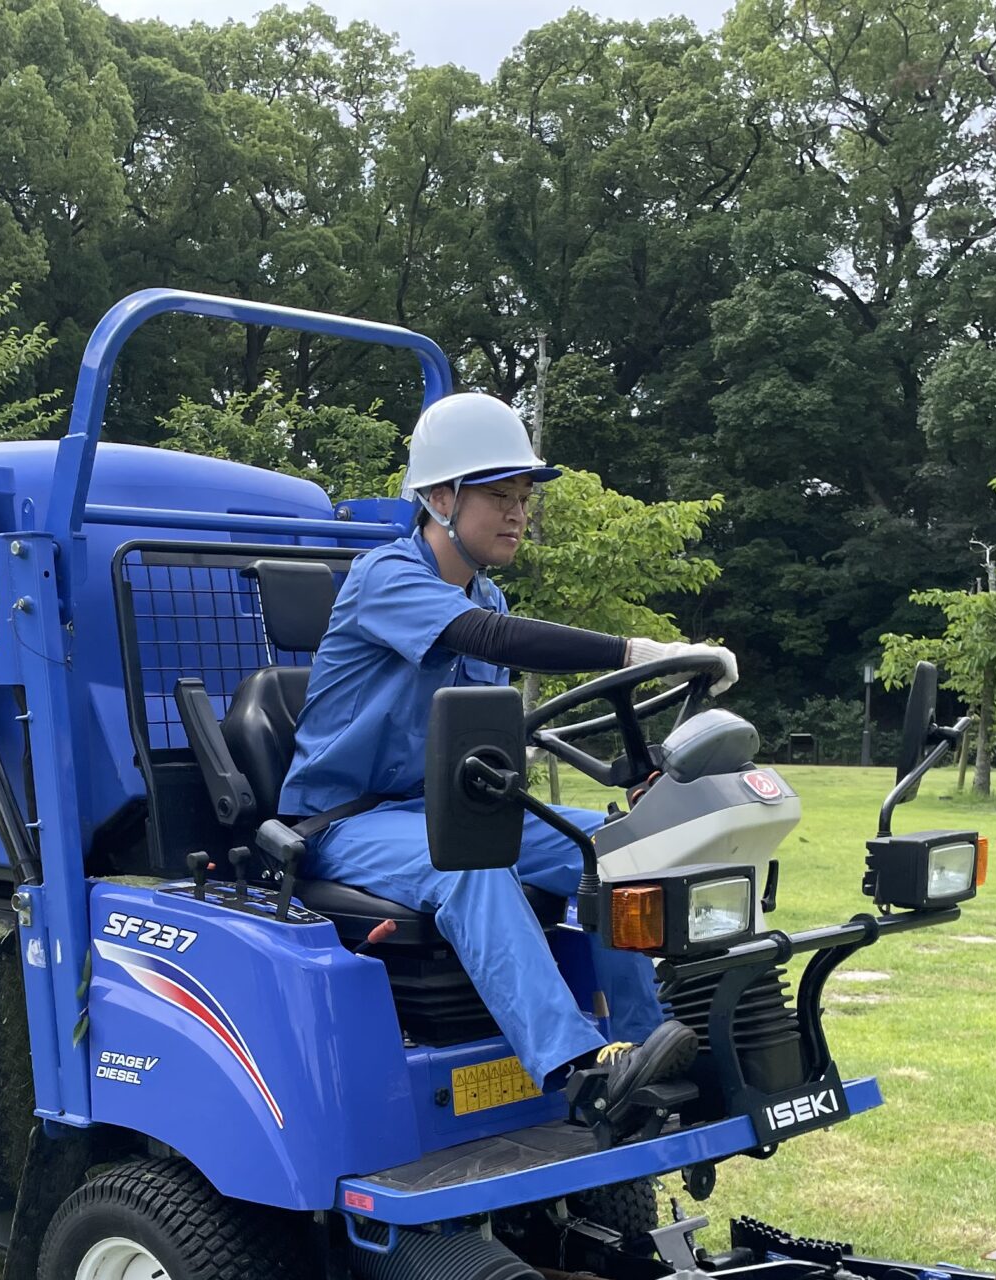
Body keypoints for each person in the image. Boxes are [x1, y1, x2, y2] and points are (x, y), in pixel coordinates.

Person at [278, 391, 737, 1128]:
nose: (520, 512)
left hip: (451, 811)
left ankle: (649, 1045)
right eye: (499, 495)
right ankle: (580, 1070)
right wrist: (636, 652)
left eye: (523, 496)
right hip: (347, 823)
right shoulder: (385, 578)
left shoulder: (484, 590)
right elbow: (492, 639)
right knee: (472, 867)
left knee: (620, 845)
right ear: (438, 497)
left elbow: (495, 733)